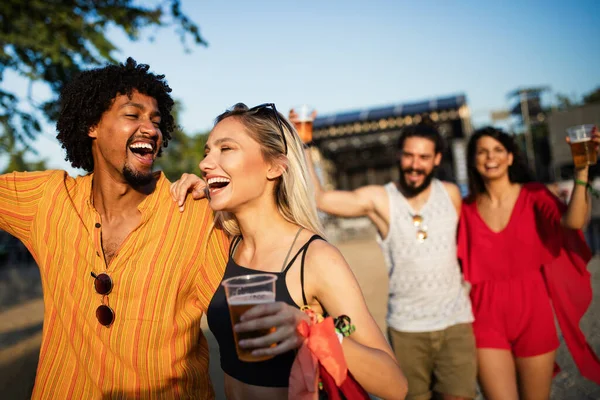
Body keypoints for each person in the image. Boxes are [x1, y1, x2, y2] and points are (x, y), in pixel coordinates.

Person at [0, 59, 300, 399]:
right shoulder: (47, 199)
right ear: (91, 125)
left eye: (156, 121)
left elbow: (255, 313)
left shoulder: (193, 215)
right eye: (133, 115)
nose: (150, 129)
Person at [170, 103, 407, 400]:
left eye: (226, 149)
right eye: (207, 152)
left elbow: (394, 385)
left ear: (275, 166)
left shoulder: (316, 258)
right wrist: (196, 191)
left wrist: (309, 329)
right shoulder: (223, 242)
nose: (205, 163)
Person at [298, 118, 477, 400]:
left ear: (437, 159)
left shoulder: (451, 194)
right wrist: (305, 145)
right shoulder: (381, 199)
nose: (414, 164)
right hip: (407, 330)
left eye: (423, 157)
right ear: (399, 155)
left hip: (456, 323)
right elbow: (321, 199)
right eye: (408, 155)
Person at [457, 127, 600, 400]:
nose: (490, 157)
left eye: (498, 150)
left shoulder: (534, 195)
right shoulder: (465, 207)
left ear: (510, 157)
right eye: (483, 151)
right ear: (473, 160)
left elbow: (574, 222)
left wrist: (582, 171)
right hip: (484, 319)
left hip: (534, 315)